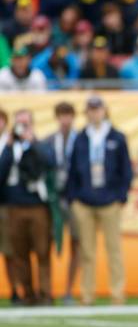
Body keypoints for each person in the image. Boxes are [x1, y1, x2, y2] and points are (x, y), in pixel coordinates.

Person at [66, 95, 133, 305]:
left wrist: (121, 196)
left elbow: (126, 170)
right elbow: (72, 170)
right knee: (87, 251)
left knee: (114, 250)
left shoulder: (117, 137)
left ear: (105, 111)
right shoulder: (79, 137)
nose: (95, 113)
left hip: (109, 200)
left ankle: (118, 293)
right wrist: (74, 198)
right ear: (86, 112)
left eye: (98, 109)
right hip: (84, 201)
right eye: (91, 109)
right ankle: (87, 294)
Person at [0, 109, 54, 305]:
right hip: (14, 206)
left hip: (37, 206)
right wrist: (8, 147)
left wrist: (33, 142)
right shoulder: (9, 147)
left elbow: (50, 162)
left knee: (42, 251)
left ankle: (46, 294)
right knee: (19, 254)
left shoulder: (41, 144)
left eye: (26, 123)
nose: (22, 127)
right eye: (19, 123)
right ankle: (28, 294)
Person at [44, 102, 80, 305]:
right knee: (47, 244)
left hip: (74, 198)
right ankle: (48, 290)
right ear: (57, 118)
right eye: (62, 116)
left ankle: (69, 290)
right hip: (54, 200)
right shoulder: (49, 140)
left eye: (68, 115)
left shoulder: (81, 139)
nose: (65, 120)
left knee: (76, 244)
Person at [0, 108, 20, 305]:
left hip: (5, 203)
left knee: (9, 250)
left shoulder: (12, 144)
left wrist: (8, 148)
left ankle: (15, 289)